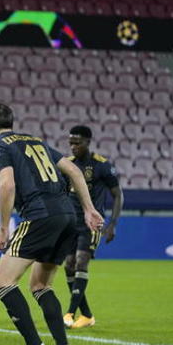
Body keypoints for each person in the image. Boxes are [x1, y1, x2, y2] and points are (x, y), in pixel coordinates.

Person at [0, 104, 102, 345]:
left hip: (39, 216)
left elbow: (7, 184)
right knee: (40, 286)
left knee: (1, 282)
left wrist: (3, 228)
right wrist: (88, 209)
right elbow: (73, 170)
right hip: (67, 216)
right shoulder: (35, 140)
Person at [62, 125, 123, 329]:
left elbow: (117, 195)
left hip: (92, 223)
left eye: (77, 143)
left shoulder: (101, 165)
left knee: (81, 261)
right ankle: (87, 315)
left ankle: (70, 313)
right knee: (69, 265)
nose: (73, 147)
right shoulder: (67, 164)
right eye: (71, 143)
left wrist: (112, 223)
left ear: (88, 142)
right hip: (71, 223)